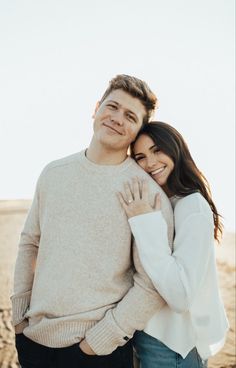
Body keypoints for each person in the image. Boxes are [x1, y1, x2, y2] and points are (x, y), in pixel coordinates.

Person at [11, 76, 174, 368]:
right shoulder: (54, 173)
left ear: (138, 130)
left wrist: (97, 342)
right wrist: (19, 320)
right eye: (112, 106)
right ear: (97, 108)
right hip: (34, 342)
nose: (116, 119)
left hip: (99, 352)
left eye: (130, 116)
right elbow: (30, 243)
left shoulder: (146, 193)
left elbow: (151, 283)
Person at [118, 121, 229, 368]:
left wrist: (143, 221)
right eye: (140, 157)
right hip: (146, 333)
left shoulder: (192, 206)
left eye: (158, 150)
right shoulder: (164, 201)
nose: (150, 163)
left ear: (175, 149)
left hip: (173, 343)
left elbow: (180, 296)